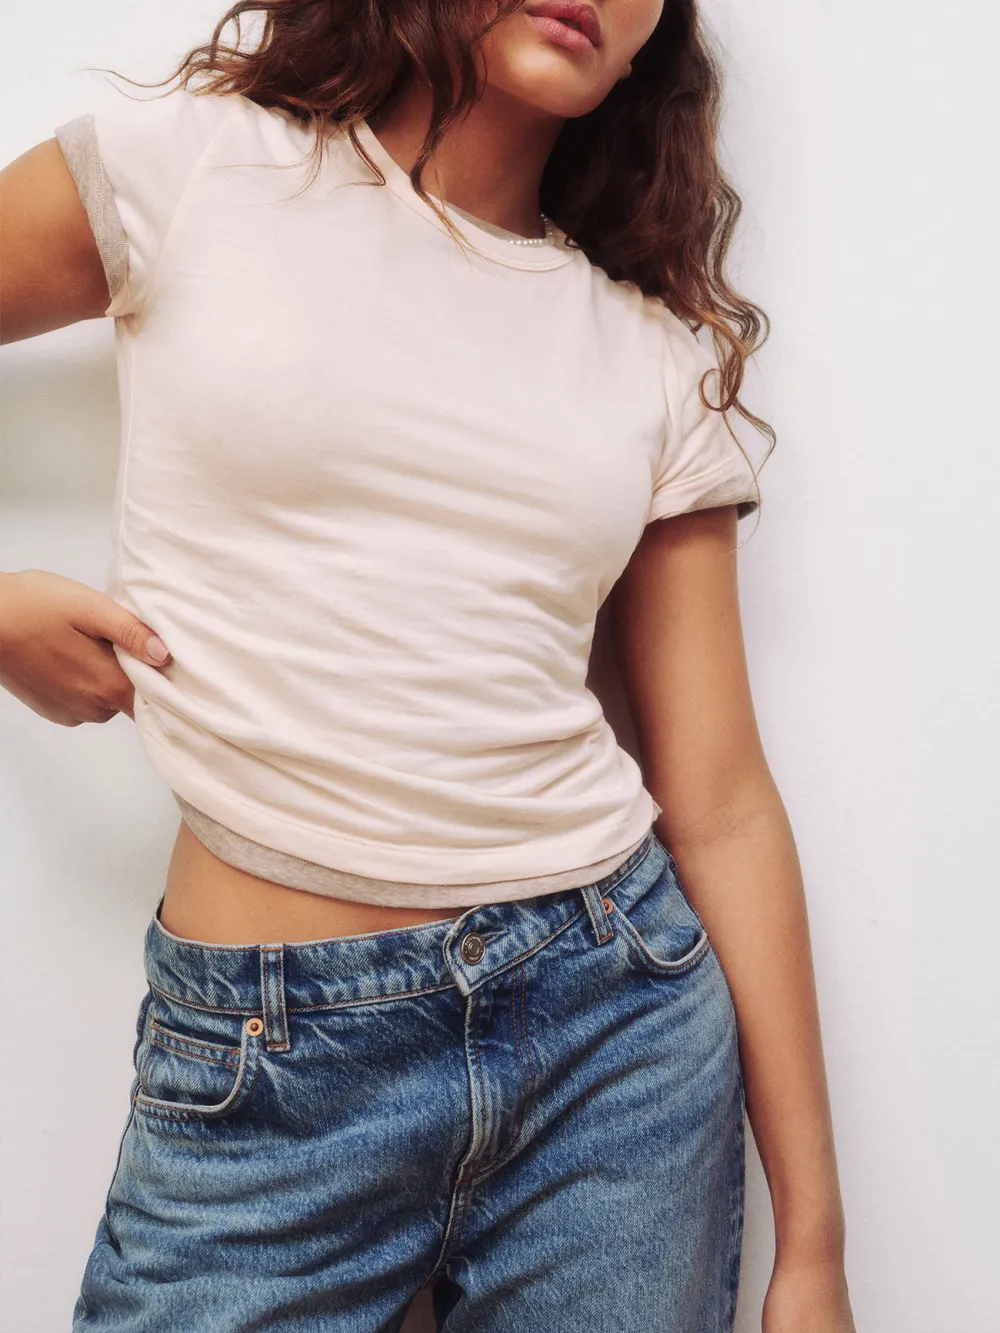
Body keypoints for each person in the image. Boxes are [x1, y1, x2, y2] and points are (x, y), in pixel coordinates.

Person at [0, 1, 857, 1329]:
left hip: (612, 1036)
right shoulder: (192, 166)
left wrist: (815, 1246)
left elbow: (724, 798)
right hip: (268, 1052)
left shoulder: (652, 356)